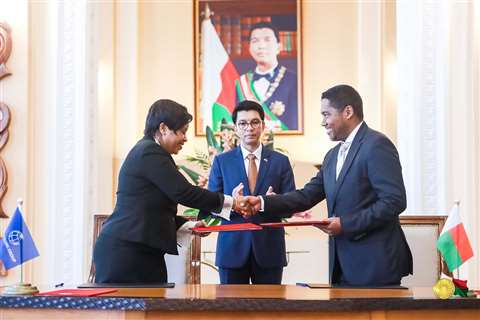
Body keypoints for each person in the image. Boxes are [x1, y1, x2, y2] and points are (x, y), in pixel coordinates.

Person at [238, 85, 413, 287]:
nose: (323, 122)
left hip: (375, 264)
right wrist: (261, 202)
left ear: (348, 112)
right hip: (342, 265)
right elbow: (307, 196)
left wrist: (345, 224)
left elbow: (394, 201)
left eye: (326, 114)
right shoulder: (332, 156)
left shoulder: (377, 145)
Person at [93, 99, 244, 284]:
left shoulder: (150, 151)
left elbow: (153, 207)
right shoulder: (149, 152)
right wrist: (231, 202)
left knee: (152, 308)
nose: (185, 138)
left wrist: (187, 226)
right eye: (182, 131)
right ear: (163, 128)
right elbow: (183, 192)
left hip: (140, 248)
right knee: (132, 312)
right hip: (126, 251)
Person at [199, 100, 295, 284]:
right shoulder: (222, 161)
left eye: (254, 122)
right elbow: (210, 204)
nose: (249, 128)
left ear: (263, 125)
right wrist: (231, 202)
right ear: (235, 128)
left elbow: (291, 205)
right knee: (231, 310)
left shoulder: (280, 161)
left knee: (270, 309)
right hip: (231, 250)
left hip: (269, 250)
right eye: (243, 123)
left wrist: (274, 202)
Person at [235, 22, 298, 131]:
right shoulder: (241, 82)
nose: (261, 46)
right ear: (249, 47)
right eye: (255, 41)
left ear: (279, 46)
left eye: (267, 40)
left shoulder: (293, 80)